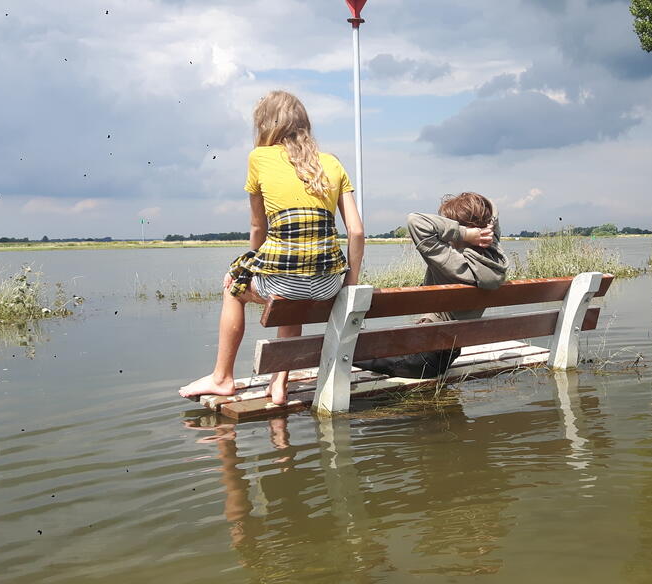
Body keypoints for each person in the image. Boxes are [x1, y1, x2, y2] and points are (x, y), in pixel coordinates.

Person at [180, 90, 364, 405]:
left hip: (284, 281)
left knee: (233, 290)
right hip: (329, 284)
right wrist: (350, 283)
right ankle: (279, 385)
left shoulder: (259, 158)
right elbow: (357, 232)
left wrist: (247, 268)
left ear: (266, 125)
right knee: (291, 292)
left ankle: (222, 378)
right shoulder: (332, 163)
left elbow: (257, 227)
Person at [355, 192, 507, 378]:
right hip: (444, 356)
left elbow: (415, 221)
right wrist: (485, 228)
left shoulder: (455, 264)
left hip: (421, 358)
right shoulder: (494, 258)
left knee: (346, 346)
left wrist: (464, 233)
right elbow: (492, 207)